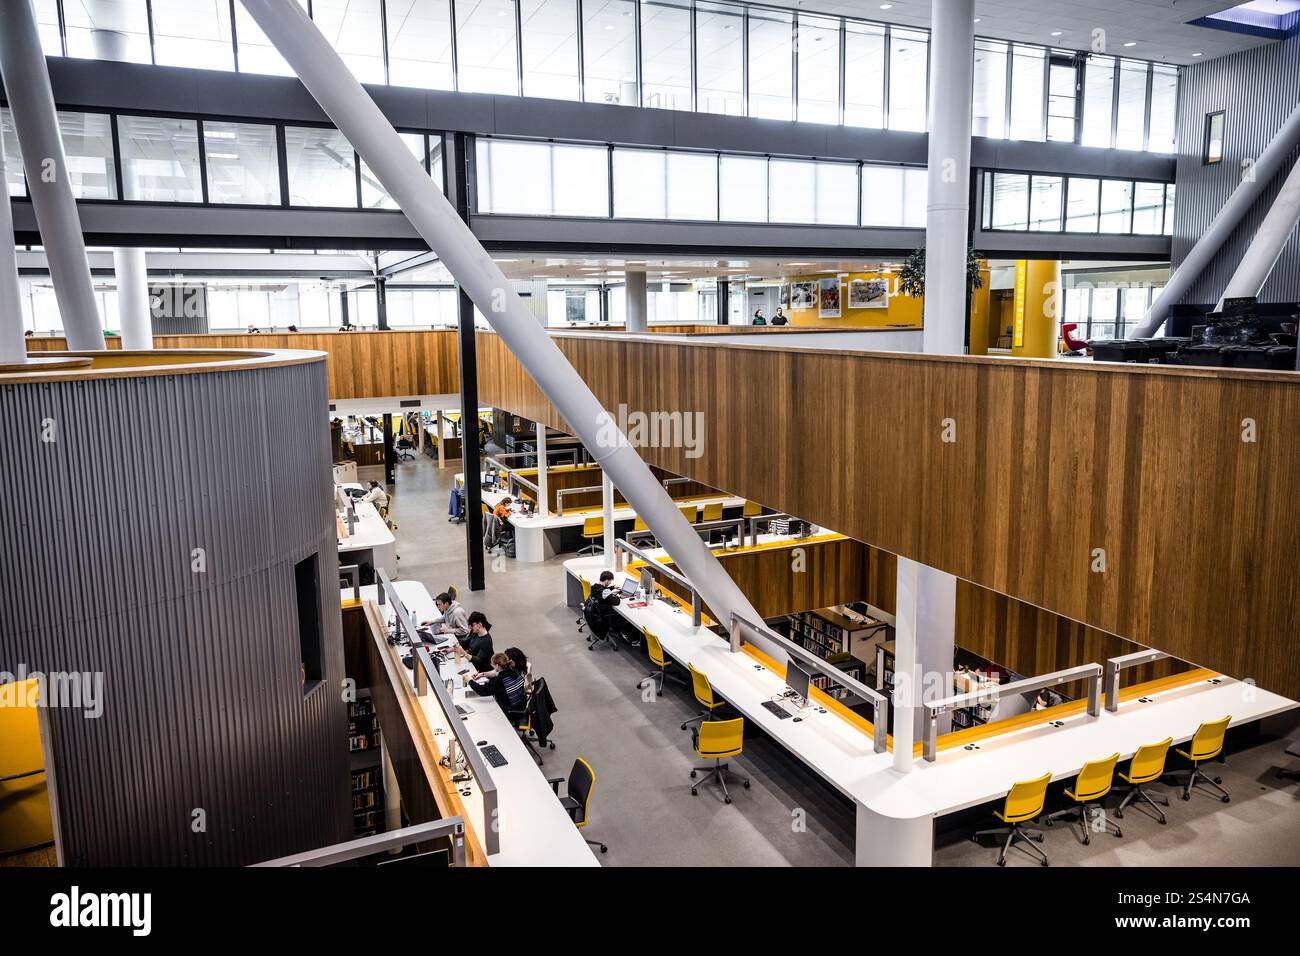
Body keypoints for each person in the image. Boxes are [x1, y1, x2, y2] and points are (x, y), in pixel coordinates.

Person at [469, 649, 530, 714]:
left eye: (492, 664)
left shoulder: (500, 680)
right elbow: (495, 673)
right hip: (521, 705)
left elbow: (482, 691)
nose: (491, 665)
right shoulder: (517, 671)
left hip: (510, 711)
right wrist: (482, 674)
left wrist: (469, 681)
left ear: (497, 666)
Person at [582, 570, 624, 646]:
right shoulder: (605, 591)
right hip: (602, 617)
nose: (610, 583)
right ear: (607, 581)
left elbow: (602, 591)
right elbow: (616, 602)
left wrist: (613, 587)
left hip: (592, 615)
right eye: (610, 581)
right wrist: (618, 596)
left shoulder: (594, 587)